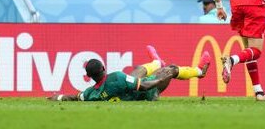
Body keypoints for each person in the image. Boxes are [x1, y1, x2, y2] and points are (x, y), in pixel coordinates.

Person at [49, 48, 210, 102]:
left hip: (128, 91)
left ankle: (156, 62)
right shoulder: (116, 77)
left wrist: (57, 97)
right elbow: (145, 85)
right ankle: (199, 72)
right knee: (172, 69)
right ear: (103, 68)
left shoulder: (90, 94)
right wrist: (162, 77)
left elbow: (74, 98)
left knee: (138, 70)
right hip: (147, 94)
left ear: (90, 77)